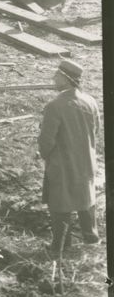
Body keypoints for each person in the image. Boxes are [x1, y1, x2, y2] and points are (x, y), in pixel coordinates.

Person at [38, 59, 101, 254]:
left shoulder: (55, 106)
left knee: (60, 203)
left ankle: (59, 246)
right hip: (87, 163)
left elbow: (46, 141)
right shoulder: (90, 101)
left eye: (56, 75)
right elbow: (96, 130)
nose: (53, 78)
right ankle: (91, 240)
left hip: (62, 165)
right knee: (86, 199)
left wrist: (45, 155)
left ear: (66, 80)